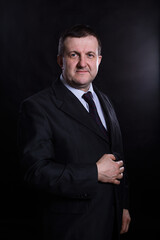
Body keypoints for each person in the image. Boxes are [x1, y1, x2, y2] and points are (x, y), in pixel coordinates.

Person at [18, 24, 131, 240]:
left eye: (89, 54)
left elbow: (118, 157)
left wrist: (123, 206)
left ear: (99, 60)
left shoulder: (104, 100)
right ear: (61, 61)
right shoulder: (37, 107)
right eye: (73, 55)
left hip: (111, 220)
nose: (82, 63)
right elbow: (35, 173)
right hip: (72, 228)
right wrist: (94, 173)